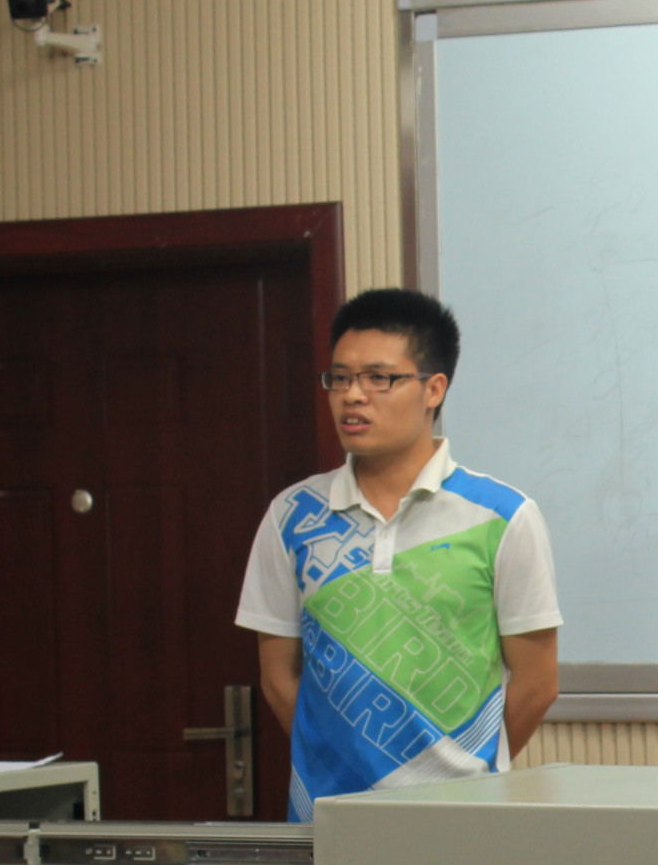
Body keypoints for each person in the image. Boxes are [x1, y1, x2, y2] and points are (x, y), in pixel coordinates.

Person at [236, 288, 559, 820]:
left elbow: (537, 684)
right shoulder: (291, 515)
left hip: (462, 815)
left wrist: (460, 772)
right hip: (327, 814)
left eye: (378, 379)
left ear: (434, 388)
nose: (353, 396)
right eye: (340, 378)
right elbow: (277, 677)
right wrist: (339, 764)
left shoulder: (504, 516)